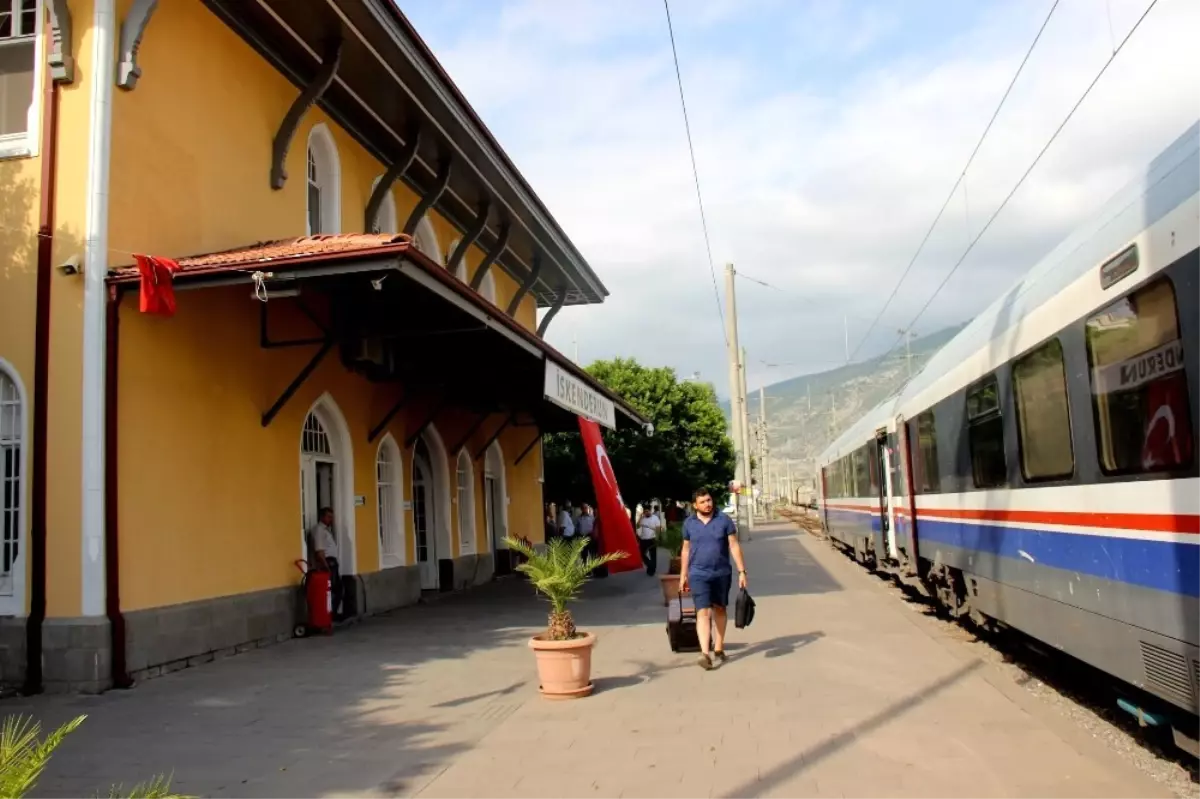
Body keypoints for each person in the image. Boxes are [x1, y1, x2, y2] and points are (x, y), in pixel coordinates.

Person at [679, 488, 748, 670]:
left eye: (709, 500)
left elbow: (733, 545)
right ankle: (704, 653)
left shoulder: (723, 520)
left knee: (719, 609)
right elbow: (685, 549)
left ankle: (718, 647)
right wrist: (683, 575)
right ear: (695, 505)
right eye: (702, 502)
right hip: (698, 574)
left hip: (721, 573)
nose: (707, 504)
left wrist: (742, 571)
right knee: (702, 612)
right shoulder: (689, 523)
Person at [309, 507, 344, 620]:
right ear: (322, 517)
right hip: (328, 562)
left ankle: (332, 614)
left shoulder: (325, 530)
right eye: (328, 517)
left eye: (331, 517)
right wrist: (326, 566)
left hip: (332, 562)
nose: (331, 520)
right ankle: (331, 615)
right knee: (334, 590)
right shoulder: (319, 530)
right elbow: (320, 552)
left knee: (336, 589)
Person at [636, 504, 662, 576]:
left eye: (647, 511)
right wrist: (640, 517)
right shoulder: (643, 518)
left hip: (652, 539)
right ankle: (650, 565)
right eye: (645, 512)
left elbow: (658, 528)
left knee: (653, 555)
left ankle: (651, 571)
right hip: (643, 539)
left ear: (650, 511)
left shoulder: (655, 518)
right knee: (641, 554)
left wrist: (658, 538)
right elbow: (638, 526)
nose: (646, 513)